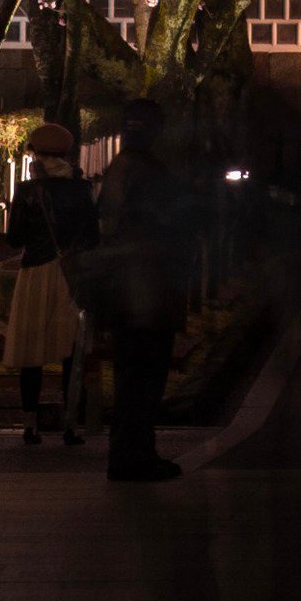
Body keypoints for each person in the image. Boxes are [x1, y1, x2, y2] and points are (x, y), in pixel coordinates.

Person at [94, 99, 201, 483]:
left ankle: (131, 453)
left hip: (125, 289)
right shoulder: (148, 173)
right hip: (148, 289)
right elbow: (168, 224)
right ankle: (134, 456)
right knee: (144, 377)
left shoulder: (118, 169)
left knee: (131, 377)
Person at [1, 122, 98, 445]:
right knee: (72, 350)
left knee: (32, 351)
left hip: (36, 274)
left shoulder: (28, 192)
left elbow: (14, 239)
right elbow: (93, 237)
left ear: (36, 156)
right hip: (71, 276)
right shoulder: (82, 189)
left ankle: (32, 424)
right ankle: (71, 425)